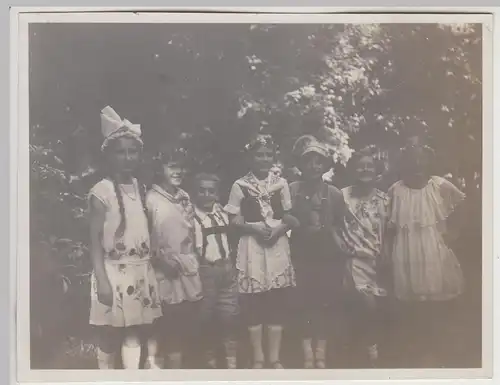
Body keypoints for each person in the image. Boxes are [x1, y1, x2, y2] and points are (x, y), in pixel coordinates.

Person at [88, 106, 162, 370]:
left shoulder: (141, 189)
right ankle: (104, 373)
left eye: (133, 152)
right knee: (109, 332)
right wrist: (102, 280)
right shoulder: (101, 191)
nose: (127, 157)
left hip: (139, 270)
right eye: (120, 152)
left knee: (134, 329)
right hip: (112, 270)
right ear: (108, 156)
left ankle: (131, 375)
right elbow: (95, 241)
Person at [386, 134, 466, 368]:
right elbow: (390, 224)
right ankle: (414, 346)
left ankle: (435, 346)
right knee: (410, 298)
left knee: (434, 293)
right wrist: (387, 250)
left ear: (429, 161)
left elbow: (463, 204)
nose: (417, 164)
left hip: (432, 247)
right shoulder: (396, 190)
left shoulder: (439, 185)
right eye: (411, 159)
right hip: (406, 249)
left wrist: (454, 233)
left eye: (421, 159)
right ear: (404, 163)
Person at [225, 134, 298, 369]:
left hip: (276, 243)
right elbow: (233, 218)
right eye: (259, 155)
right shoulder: (240, 185)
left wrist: (278, 231)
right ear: (250, 157)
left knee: (276, 299)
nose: (264, 159)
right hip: (253, 245)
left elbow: (289, 216)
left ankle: (274, 357)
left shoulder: (281, 183)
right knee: (254, 300)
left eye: (268, 155)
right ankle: (258, 357)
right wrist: (253, 228)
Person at [289, 135, 349, 369]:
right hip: (300, 252)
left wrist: (341, 249)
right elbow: (284, 219)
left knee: (324, 302)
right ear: (300, 165)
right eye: (308, 161)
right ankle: (306, 353)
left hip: (326, 254)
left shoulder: (333, 193)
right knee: (302, 302)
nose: (313, 167)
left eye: (318, 162)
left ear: (325, 166)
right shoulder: (292, 189)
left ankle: (321, 352)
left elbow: (338, 225)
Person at [146, 149, 203, 369]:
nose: (177, 171)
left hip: (185, 268)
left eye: (180, 166)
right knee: (162, 324)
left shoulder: (184, 197)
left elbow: (190, 233)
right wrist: (160, 261)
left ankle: (178, 370)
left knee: (183, 324)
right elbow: (146, 236)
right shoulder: (151, 199)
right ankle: (155, 368)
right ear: (160, 169)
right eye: (171, 166)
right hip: (162, 268)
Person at [340, 146, 389, 366]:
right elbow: (331, 223)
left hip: (379, 259)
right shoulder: (342, 195)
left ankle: (371, 345)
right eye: (360, 167)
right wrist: (340, 245)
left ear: (376, 170)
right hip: (354, 257)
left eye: (369, 166)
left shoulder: (385, 199)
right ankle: (370, 350)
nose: (365, 170)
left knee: (376, 305)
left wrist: (387, 254)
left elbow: (390, 229)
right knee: (365, 302)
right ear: (352, 170)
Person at [190, 172, 239, 369]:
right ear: (195, 193)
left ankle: (231, 360)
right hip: (205, 270)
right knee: (206, 316)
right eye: (202, 190)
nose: (206, 195)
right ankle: (208, 360)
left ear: (217, 194)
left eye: (211, 191)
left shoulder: (222, 213)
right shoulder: (191, 216)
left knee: (229, 315)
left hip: (226, 268)